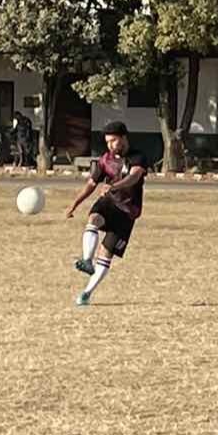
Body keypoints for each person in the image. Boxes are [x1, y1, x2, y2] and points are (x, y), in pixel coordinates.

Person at [64, 121, 150, 307]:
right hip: (108, 203)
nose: (110, 145)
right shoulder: (105, 159)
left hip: (128, 211)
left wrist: (113, 186)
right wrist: (74, 204)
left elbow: (134, 177)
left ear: (124, 138)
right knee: (93, 218)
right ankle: (87, 260)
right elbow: (91, 184)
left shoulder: (138, 157)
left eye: (113, 141)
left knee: (106, 253)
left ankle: (86, 293)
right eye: (107, 142)